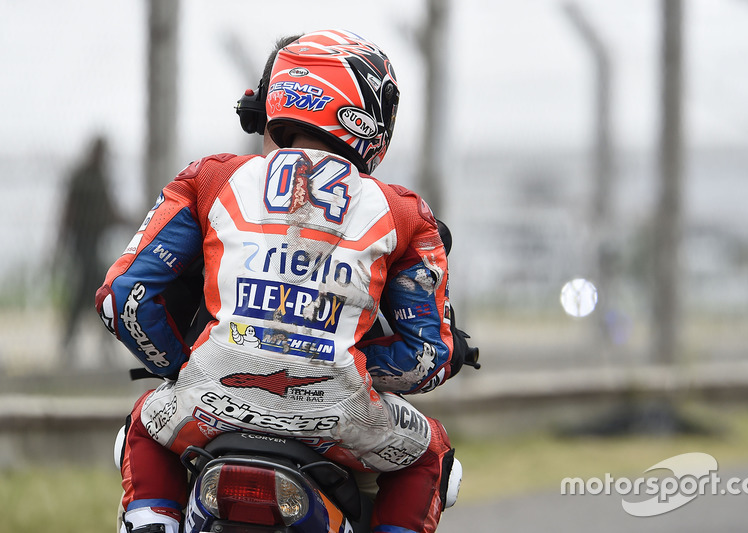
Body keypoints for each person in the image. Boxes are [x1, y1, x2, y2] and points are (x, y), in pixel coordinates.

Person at [97, 30, 472, 533]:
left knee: (142, 428)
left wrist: (189, 363)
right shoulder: (406, 212)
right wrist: (346, 359)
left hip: (209, 399)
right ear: (361, 112)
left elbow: (123, 300)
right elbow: (428, 358)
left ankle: (152, 523)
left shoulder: (209, 178)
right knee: (434, 458)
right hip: (340, 417)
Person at [58, 134, 123, 364]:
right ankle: (98, 344)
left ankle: (77, 343)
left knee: (87, 291)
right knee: (96, 288)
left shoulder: (99, 178)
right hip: (82, 242)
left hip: (94, 242)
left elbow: (108, 211)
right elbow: (69, 211)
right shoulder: (82, 178)